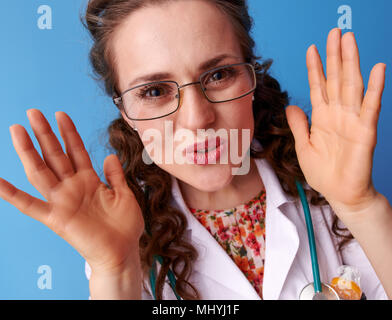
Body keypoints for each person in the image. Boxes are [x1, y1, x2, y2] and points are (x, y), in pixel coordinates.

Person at [0, 0, 391, 300]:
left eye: (219, 75)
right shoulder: (120, 240)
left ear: (251, 75)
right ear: (126, 112)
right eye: (154, 91)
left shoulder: (328, 198)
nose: (197, 119)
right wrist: (113, 270)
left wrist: (361, 207)